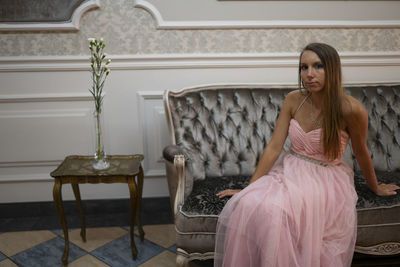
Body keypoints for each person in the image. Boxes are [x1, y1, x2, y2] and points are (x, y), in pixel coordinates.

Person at [213, 43, 400, 267]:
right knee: (251, 203)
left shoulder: (351, 109)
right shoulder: (294, 99)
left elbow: (361, 152)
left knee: (279, 212)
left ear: (332, 69)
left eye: (318, 66)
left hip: (326, 178)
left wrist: (375, 186)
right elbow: (274, 147)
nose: (309, 74)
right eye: (304, 67)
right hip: (290, 168)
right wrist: (249, 188)